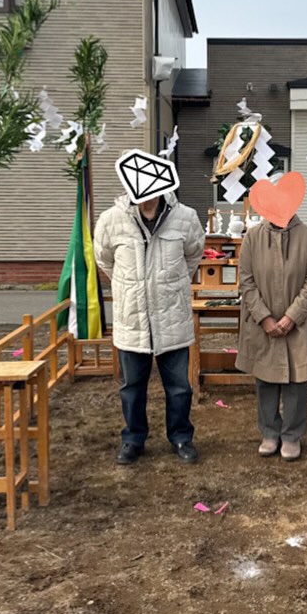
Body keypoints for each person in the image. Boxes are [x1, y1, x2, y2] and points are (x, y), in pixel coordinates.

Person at [94, 189, 205, 465]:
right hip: (132, 320)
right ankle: (133, 439)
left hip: (172, 318)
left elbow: (194, 254)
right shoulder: (111, 219)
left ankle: (181, 437)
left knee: (179, 386)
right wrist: (130, 286)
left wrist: (171, 284)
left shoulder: (185, 217)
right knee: (131, 387)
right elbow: (104, 259)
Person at [236, 213, 307, 461]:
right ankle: (269, 432)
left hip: (298, 322)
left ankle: (292, 434)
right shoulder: (253, 237)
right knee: (265, 378)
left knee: (297, 378)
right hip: (262, 321)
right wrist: (264, 317)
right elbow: (246, 281)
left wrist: (292, 316)